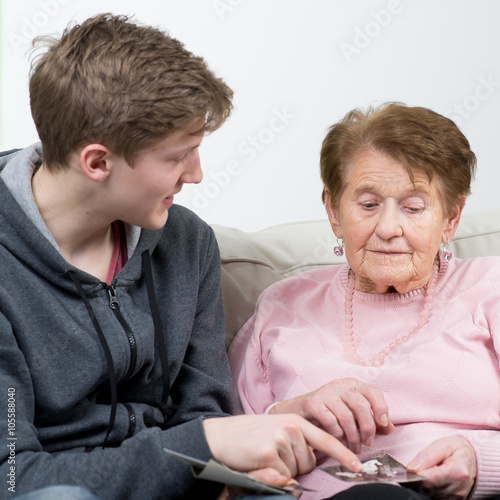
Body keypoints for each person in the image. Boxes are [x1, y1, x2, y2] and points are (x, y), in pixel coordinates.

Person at [0, 14, 362, 499]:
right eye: (178, 156)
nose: (196, 174)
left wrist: (251, 445)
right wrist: (205, 445)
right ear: (98, 162)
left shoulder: (186, 242)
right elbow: (12, 478)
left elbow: (203, 415)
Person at [229, 103, 500, 500]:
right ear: (334, 212)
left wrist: (481, 460)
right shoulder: (283, 305)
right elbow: (225, 438)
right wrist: (293, 416)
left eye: (413, 207)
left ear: (451, 220)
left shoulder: (489, 287)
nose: (388, 228)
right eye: (369, 204)